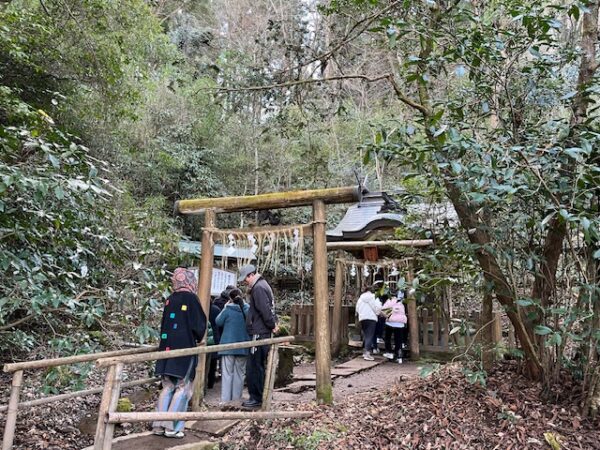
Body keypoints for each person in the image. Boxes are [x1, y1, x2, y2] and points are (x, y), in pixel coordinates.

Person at [153, 268, 206, 439]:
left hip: (166, 347)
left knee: (168, 385)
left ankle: (159, 425)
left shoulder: (170, 299)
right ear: (190, 281)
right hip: (184, 348)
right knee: (183, 387)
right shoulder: (191, 299)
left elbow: (163, 325)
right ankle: (172, 427)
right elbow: (199, 326)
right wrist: (198, 337)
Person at [238, 264, 277, 409]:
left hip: (259, 332)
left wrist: (272, 324)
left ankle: (256, 397)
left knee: (254, 366)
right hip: (262, 330)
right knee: (257, 365)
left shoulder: (258, 288)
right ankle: (259, 395)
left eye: (245, 279)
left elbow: (265, 310)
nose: (245, 282)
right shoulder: (263, 285)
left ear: (251, 275)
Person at [216, 288, 250, 403]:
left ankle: (225, 401)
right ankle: (237, 400)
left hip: (227, 346)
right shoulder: (247, 309)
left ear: (230, 299)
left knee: (227, 374)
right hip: (243, 346)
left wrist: (225, 307)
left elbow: (218, 322)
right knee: (239, 374)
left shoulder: (228, 309)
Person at [355, 285, 382, 361]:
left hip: (363, 318)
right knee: (370, 335)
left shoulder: (360, 298)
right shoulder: (374, 297)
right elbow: (378, 307)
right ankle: (367, 353)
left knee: (366, 335)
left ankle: (365, 351)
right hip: (371, 318)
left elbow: (357, 308)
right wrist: (377, 312)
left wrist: (361, 314)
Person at [381, 293, 408, 363]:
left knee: (387, 338)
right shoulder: (403, 303)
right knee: (398, 341)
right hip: (400, 323)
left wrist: (387, 315)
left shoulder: (390, 301)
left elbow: (383, 310)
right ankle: (399, 356)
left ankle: (389, 352)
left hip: (391, 322)